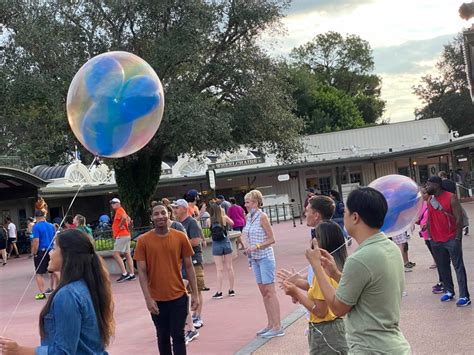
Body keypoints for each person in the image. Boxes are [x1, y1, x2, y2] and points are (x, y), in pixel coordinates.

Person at [308, 187, 410, 353]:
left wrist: (317, 267)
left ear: (355, 217)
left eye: (346, 212)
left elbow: (337, 308)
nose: (344, 217)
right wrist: (334, 273)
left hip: (371, 348)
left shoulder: (360, 258)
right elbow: (365, 288)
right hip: (391, 344)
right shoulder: (390, 247)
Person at [0, 229, 115, 354]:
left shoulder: (67, 294)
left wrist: (19, 350)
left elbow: (63, 352)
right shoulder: (86, 285)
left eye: (54, 248)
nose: (50, 253)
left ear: (67, 255)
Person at [134, 204, 199, 354]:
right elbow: (142, 272)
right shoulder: (143, 241)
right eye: (156, 214)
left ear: (169, 214)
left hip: (179, 296)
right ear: (151, 218)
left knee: (178, 335)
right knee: (162, 336)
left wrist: (195, 294)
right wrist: (148, 299)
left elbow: (189, 266)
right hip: (157, 299)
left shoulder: (180, 237)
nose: (160, 216)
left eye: (163, 213)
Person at [280, 221, 349, 354]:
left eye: (314, 235)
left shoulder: (322, 271)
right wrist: (297, 283)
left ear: (320, 242)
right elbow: (318, 292)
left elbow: (320, 311)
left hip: (326, 331)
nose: (311, 240)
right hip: (334, 328)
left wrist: (296, 293)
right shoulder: (335, 266)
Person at [242, 190, 284, 339]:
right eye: (246, 202)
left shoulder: (262, 216)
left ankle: (278, 326)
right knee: (263, 292)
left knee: (270, 292)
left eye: (248, 202)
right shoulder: (248, 217)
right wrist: (246, 245)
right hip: (254, 259)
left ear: (256, 203)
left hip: (265, 257)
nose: (245, 205)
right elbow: (247, 234)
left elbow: (272, 239)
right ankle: (271, 323)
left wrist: (257, 246)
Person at [426, 176, 470, 307]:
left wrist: (457, 238)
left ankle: (464, 296)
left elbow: (459, 218)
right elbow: (430, 218)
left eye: (428, 184)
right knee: (443, 267)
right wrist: (430, 236)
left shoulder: (451, 197)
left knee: (458, 267)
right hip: (436, 239)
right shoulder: (430, 199)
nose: (426, 187)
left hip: (451, 238)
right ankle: (449, 291)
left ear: (437, 185)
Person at [172, 199, 206, 329]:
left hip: (194, 259)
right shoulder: (176, 224)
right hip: (182, 260)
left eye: (177, 208)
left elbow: (196, 241)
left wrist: (179, 246)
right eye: (174, 208)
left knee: (196, 288)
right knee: (184, 289)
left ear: (184, 209)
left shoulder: (191, 222)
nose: (174, 210)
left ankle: (197, 316)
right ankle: (188, 317)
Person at [417, 186, 444, 294]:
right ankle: (441, 281)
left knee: (440, 259)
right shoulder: (423, 204)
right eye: (421, 193)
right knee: (436, 258)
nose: (423, 195)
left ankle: (443, 281)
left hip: (433, 235)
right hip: (426, 235)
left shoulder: (433, 203)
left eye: (424, 193)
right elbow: (420, 218)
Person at [208, 203, 236, 299]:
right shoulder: (224, 218)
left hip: (216, 245)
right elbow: (232, 223)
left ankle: (219, 292)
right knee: (229, 267)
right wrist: (224, 214)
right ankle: (231, 290)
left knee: (219, 269)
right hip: (226, 243)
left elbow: (208, 231)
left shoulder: (209, 220)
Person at [31, 210, 57, 300]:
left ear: (36, 217)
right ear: (44, 216)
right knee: (52, 271)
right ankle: (53, 289)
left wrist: (34, 252)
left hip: (41, 251)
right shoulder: (51, 225)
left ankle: (42, 293)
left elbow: (36, 240)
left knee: (39, 273)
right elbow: (54, 238)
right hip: (51, 250)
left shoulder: (36, 227)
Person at [110, 198, 136, 282]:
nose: (112, 204)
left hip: (122, 235)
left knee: (115, 254)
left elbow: (125, 217)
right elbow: (128, 218)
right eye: (112, 203)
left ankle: (124, 273)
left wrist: (121, 225)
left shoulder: (119, 210)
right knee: (127, 254)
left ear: (118, 203)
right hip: (125, 235)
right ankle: (132, 274)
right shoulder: (121, 210)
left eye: (114, 203)